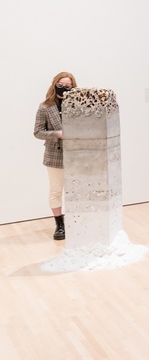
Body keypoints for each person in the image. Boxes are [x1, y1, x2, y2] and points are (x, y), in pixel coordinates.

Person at [33, 71, 77, 241]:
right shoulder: (45, 107)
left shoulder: (77, 105)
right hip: (55, 155)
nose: (64, 89)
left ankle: (77, 220)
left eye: (68, 86)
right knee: (56, 190)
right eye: (60, 85)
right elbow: (37, 132)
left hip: (77, 155)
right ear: (54, 85)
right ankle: (60, 224)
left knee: (75, 190)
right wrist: (57, 134)